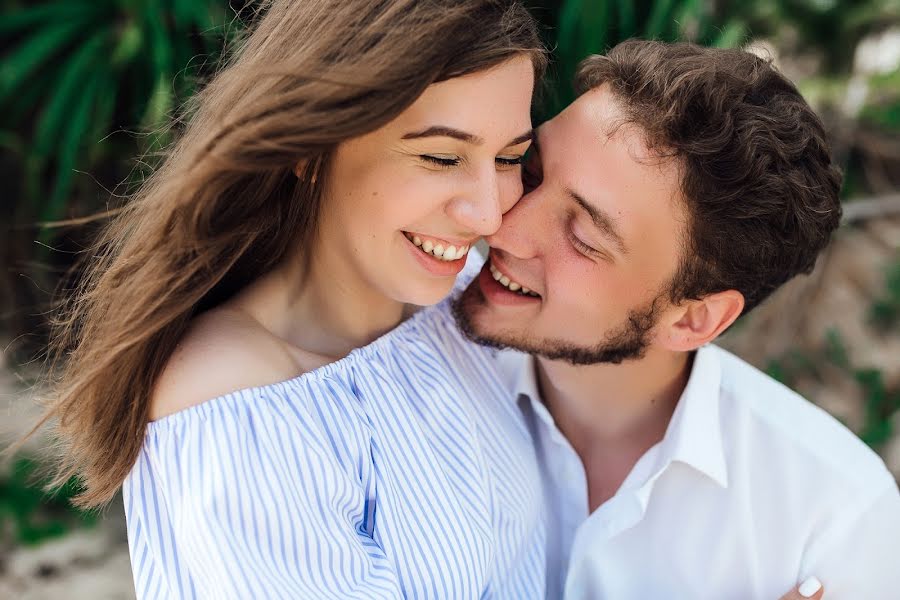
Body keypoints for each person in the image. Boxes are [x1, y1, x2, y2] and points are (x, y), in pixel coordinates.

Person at [31, 1, 550, 597]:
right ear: (312, 147)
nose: (487, 212)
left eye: (509, 158)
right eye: (440, 157)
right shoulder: (240, 405)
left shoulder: (461, 298)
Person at [453, 40, 900, 598]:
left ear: (694, 319)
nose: (500, 226)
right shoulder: (398, 341)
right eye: (532, 170)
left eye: (584, 239)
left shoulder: (834, 520)